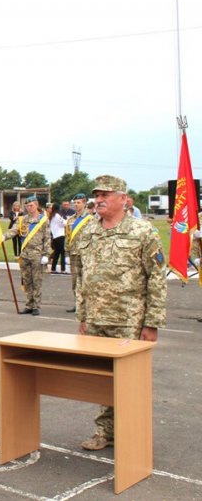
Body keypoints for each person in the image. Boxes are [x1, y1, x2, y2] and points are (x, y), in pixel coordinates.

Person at [74, 175, 166, 450]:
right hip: (96, 319)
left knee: (131, 382)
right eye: (97, 195)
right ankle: (105, 432)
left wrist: (152, 322)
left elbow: (157, 278)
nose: (98, 200)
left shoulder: (143, 231)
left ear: (123, 199)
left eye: (105, 195)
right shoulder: (89, 230)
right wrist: (82, 316)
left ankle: (132, 436)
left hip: (129, 321)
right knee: (103, 382)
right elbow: (81, 277)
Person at [3, 196, 51, 315]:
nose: (29, 208)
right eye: (27, 206)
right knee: (27, 281)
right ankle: (29, 304)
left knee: (36, 281)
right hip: (24, 254)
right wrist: (4, 236)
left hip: (37, 254)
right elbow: (14, 230)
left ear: (36, 205)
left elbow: (47, 238)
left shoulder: (43, 220)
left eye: (31, 205)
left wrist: (46, 254)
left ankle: (36, 306)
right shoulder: (22, 220)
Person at [64, 193, 94, 313]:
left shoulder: (91, 219)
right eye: (75, 203)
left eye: (79, 202)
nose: (76, 205)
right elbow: (67, 237)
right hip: (73, 254)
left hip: (86, 254)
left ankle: (86, 305)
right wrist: (67, 252)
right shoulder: (71, 220)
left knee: (86, 281)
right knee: (75, 281)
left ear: (84, 203)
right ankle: (77, 303)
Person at [48, 203, 67, 274]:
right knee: (62, 253)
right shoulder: (57, 215)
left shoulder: (52, 216)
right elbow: (64, 223)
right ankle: (63, 269)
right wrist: (67, 220)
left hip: (55, 236)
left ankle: (53, 269)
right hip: (60, 235)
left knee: (56, 253)